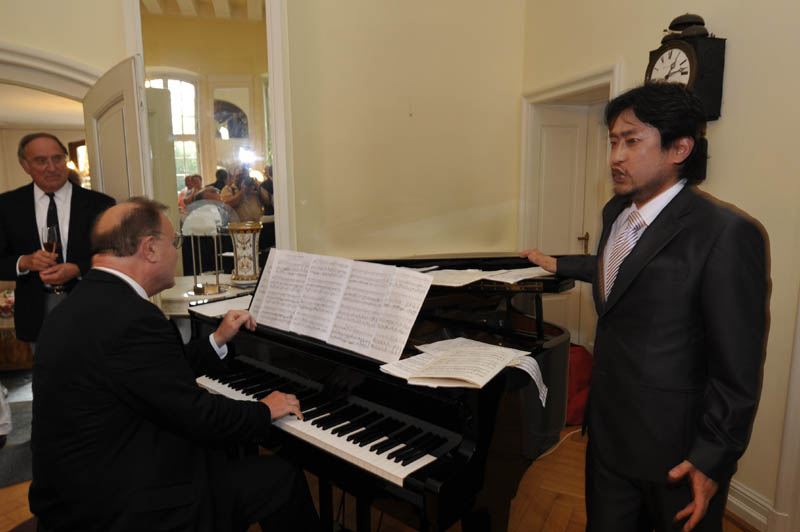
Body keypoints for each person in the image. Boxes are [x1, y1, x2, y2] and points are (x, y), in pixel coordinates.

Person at [521, 83, 768, 532]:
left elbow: (738, 370)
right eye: (613, 142)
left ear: (680, 148)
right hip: (607, 439)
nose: (615, 156)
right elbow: (625, 272)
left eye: (631, 141)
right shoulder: (616, 212)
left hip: (676, 456)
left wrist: (712, 458)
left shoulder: (726, 233)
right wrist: (560, 264)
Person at [29, 197, 319, 532]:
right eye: (174, 243)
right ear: (150, 249)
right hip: (117, 506)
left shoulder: (79, 303)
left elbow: (154, 375)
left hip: (78, 486)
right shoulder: (133, 318)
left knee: (228, 457)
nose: (176, 252)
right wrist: (264, 410)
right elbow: (199, 415)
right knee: (278, 477)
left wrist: (217, 339)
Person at [0, 132, 115, 345]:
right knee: (45, 366)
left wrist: (78, 269)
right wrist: (24, 262)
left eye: (57, 158)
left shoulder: (100, 204)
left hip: (91, 305)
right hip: (36, 311)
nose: (52, 168)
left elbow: (116, 256)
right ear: (25, 165)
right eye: (41, 161)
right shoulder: (7, 205)